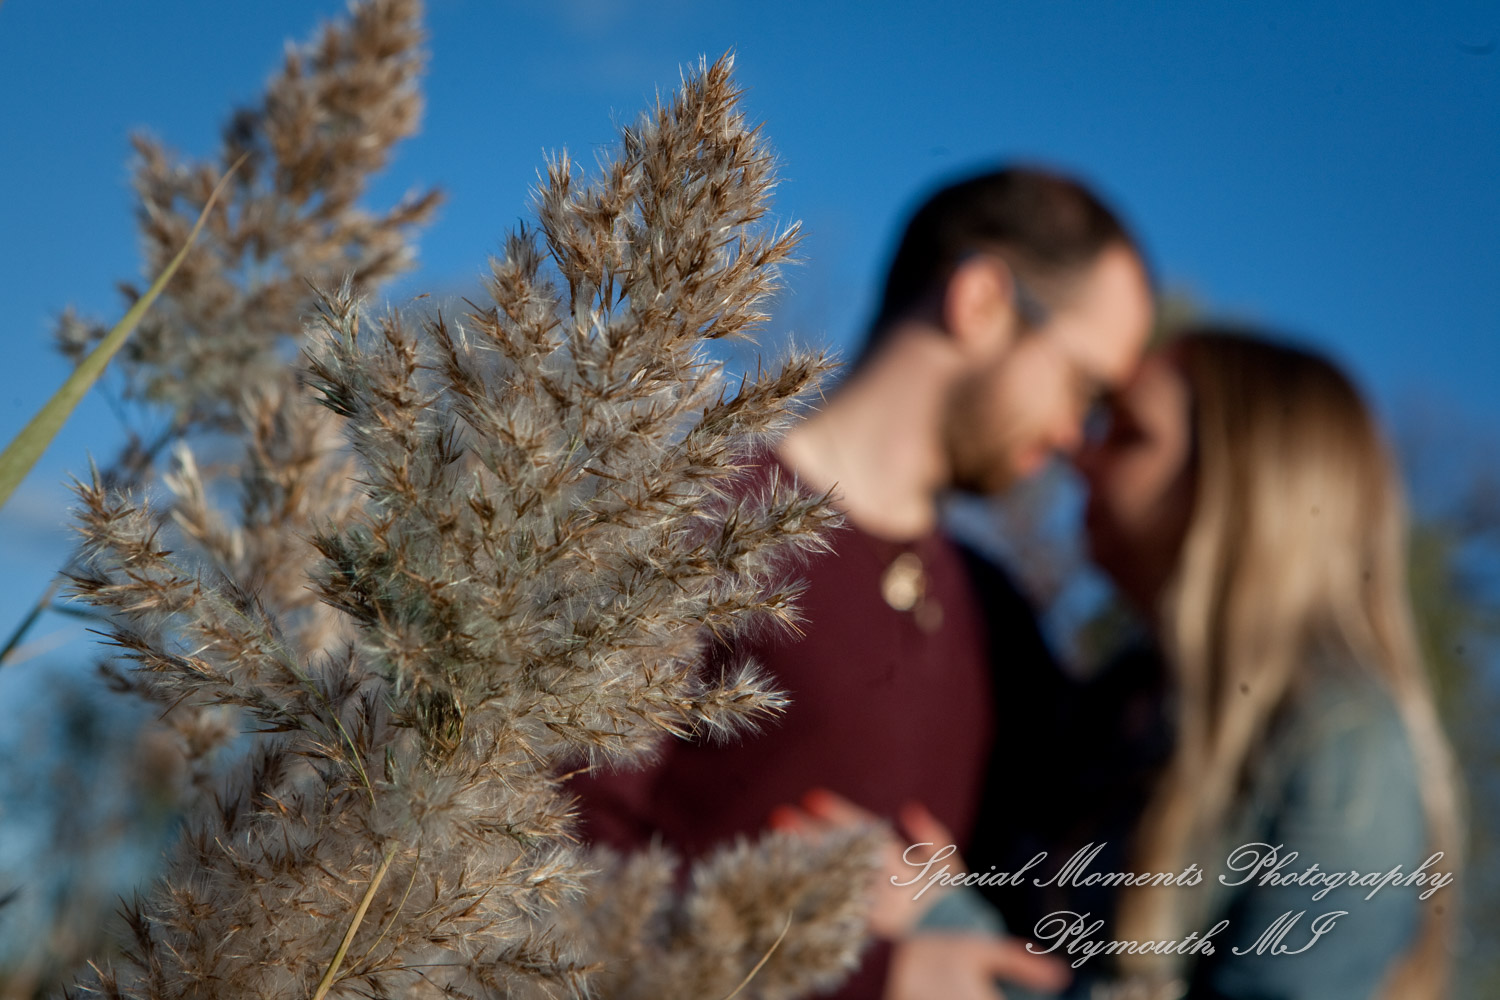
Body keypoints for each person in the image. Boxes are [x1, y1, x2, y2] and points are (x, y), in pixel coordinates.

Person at [567, 166, 1155, 998]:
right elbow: (553, 866)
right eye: (1082, 386)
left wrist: (960, 913)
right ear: (981, 300)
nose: (1074, 436)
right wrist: (878, 980)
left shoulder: (1003, 621)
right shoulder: (694, 522)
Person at [853, 328, 1463, 1000]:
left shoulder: (1347, 755)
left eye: (1129, 435)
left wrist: (952, 934)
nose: (1079, 454)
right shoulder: (1115, 705)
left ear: (1237, 488)